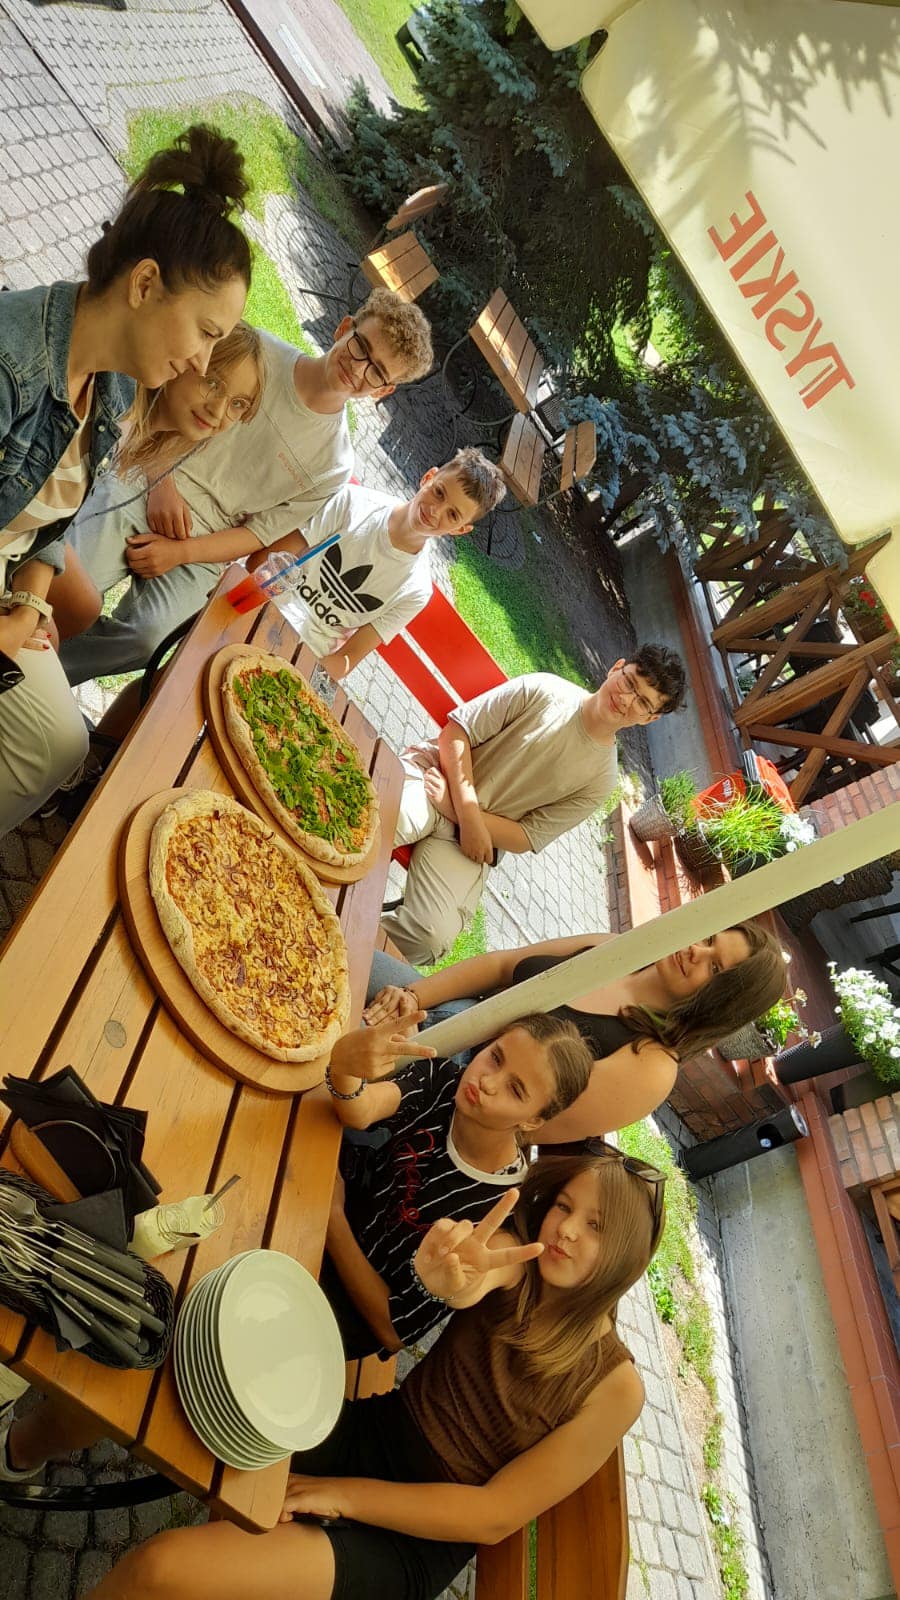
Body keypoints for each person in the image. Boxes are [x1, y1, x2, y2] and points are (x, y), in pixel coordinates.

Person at [71, 1148, 662, 1600]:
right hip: (373, 1433)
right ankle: (27, 1448)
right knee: (182, 1355)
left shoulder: (615, 1389)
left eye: (597, 1227)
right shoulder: (518, 1261)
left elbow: (493, 1515)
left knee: (162, 1568)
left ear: (627, 1259)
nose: (567, 1229)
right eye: (565, 1207)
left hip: (415, 1539)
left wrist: (342, 1496)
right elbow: (476, 1274)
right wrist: (451, 1278)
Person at [0, 123, 251, 835]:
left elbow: (46, 518)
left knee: (61, 743)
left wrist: (31, 600)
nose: (201, 363)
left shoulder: (111, 388)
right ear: (144, 284)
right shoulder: (12, 368)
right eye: (206, 332)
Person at [59, 289, 434, 687]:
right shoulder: (259, 355)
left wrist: (180, 552)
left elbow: (258, 534)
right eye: (361, 347)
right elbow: (161, 392)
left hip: (201, 548)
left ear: (383, 390)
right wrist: (161, 479)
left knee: (148, 640)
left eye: (377, 372)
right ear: (344, 328)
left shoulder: (334, 464)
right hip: (148, 477)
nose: (358, 369)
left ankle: (41, 677)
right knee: (69, 581)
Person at [380, 646, 688, 965]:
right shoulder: (545, 689)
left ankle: (350, 945)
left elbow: (526, 837)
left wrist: (459, 814)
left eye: (642, 702)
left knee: (430, 938)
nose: (626, 700)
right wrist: (465, 812)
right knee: (384, 819)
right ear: (616, 667)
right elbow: (455, 734)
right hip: (437, 778)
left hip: (471, 839)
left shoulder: (601, 780)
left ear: (649, 718)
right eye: (629, 682)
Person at [322, 1009, 593, 1356]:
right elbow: (362, 1110)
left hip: (341, 1310)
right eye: (495, 1057)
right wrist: (344, 1069)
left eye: (515, 1090)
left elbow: (392, 1330)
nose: (488, 1082)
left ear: (533, 1121)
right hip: (330, 1199)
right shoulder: (445, 1082)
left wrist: (334, 1223)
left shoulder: (500, 1212)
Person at [365, 920, 788, 1138]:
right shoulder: (617, 948)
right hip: (437, 1016)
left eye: (714, 968)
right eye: (709, 938)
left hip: (439, 1098)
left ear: (720, 1003)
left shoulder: (651, 1065)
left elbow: (525, 1131)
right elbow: (501, 965)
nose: (696, 951)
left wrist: (414, 1071)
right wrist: (414, 996)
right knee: (344, 958)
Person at [47, 321, 264, 646]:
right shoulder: (117, 412)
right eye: (213, 384)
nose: (218, 410)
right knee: (81, 605)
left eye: (237, 403)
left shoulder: (157, 443)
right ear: (188, 360)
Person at [244, 446, 506, 682]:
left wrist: (296, 676)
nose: (436, 511)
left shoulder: (416, 590)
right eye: (439, 493)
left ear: (460, 530)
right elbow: (261, 562)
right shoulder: (354, 503)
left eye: (453, 514)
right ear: (428, 477)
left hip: (306, 656)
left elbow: (347, 659)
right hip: (261, 606)